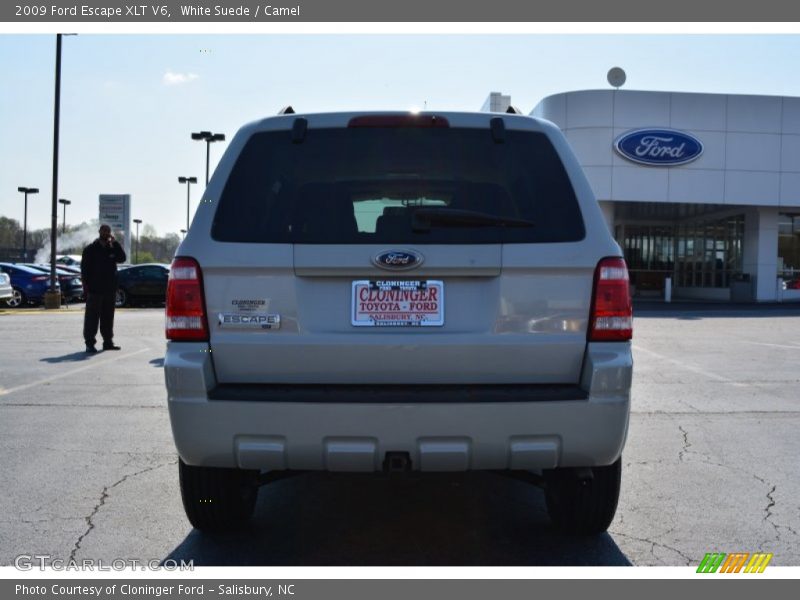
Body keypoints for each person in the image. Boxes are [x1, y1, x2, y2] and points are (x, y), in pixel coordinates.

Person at [81, 224, 126, 353]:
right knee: (92, 318)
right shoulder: (90, 249)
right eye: (104, 230)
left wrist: (115, 243)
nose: (106, 233)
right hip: (95, 290)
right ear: (99, 231)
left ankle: (108, 342)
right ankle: (90, 343)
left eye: (108, 231)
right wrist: (87, 287)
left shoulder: (112, 248)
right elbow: (84, 270)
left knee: (108, 317)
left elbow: (122, 258)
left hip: (109, 290)